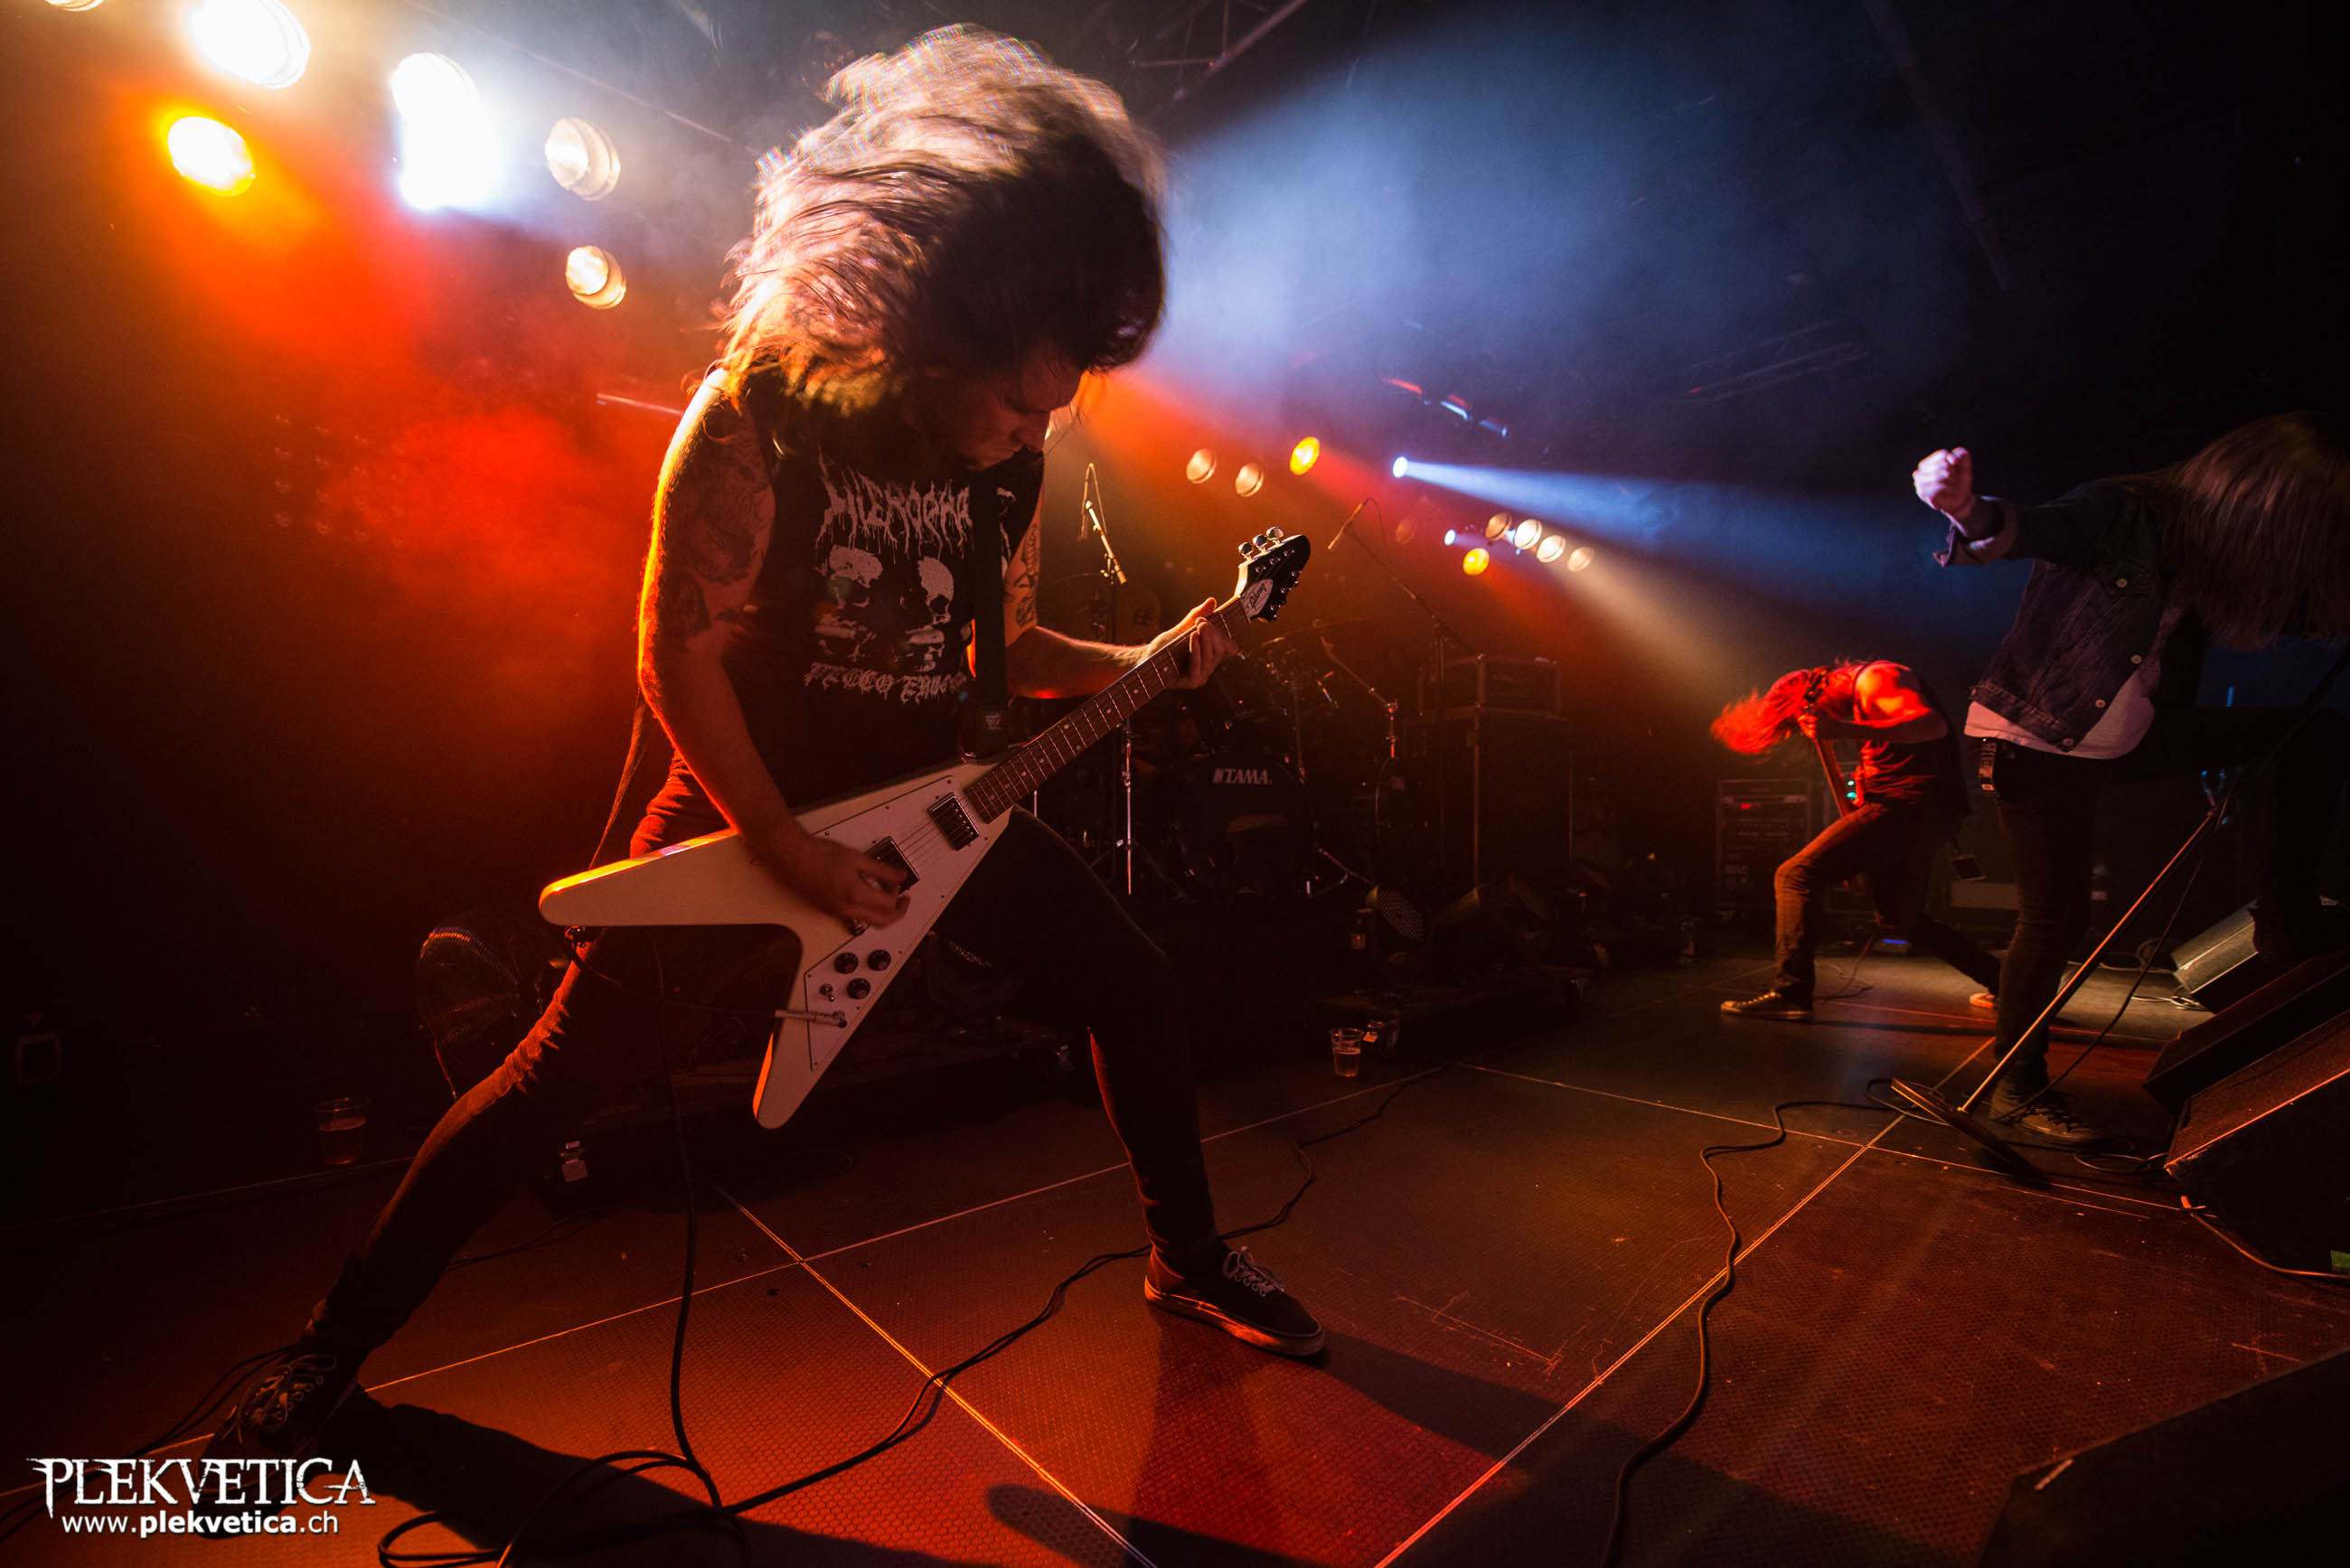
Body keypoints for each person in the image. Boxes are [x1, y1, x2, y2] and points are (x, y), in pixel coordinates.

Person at [208, 28, 1321, 1474]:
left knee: (1134, 979)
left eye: (1052, 409)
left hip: (931, 811)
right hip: (748, 808)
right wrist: (789, 847)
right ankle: (327, 1343)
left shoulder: (1013, 466)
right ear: (934, 328)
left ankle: (1188, 1255)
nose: (1030, 430)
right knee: (555, 1080)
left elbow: (1007, 642)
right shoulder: (760, 417)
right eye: (1014, 399)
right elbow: (673, 655)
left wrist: (1151, 655)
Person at [1917, 413, 2350, 1146]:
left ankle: (2286, 913)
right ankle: (2015, 1088)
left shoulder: (2203, 550)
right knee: (2052, 923)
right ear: (2255, 496)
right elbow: (2035, 529)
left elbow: (2296, 612)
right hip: (2037, 737)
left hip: (2125, 735)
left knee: (2317, 731)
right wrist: (1968, 511)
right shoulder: (2122, 508)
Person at [1715, 661, 2002, 1020]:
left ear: (1814, 692)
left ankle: (1791, 993)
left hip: (1910, 806)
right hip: (1921, 811)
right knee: (1900, 919)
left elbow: (1932, 725)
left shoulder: (1877, 678)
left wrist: (1842, 728)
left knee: (1795, 875)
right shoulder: (1861, 699)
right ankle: (2006, 984)